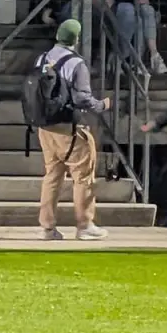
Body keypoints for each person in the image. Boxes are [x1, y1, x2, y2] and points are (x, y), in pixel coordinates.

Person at [31, 19, 110, 240]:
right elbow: (82, 98)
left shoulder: (42, 58)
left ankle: (47, 228)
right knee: (83, 176)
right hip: (70, 128)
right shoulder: (76, 63)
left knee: (52, 176)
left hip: (46, 127)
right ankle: (85, 225)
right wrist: (102, 105)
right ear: (76, 38)